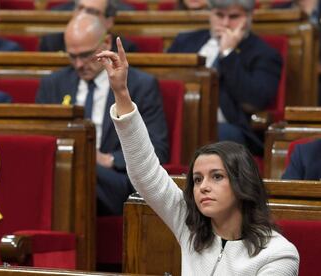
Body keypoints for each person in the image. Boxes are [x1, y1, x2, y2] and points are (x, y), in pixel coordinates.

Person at [96, 37, 299, 275]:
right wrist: (121, 93)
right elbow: (145, 172)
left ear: (242, 182)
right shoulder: (191, 227)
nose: (203, 187)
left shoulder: (278, 254)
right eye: (197, 179)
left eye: (216, 177)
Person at [36, 14, 169, 215]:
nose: (79, 64)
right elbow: (40, 139)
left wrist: (109, 159)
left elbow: (158, 150)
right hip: (63, 170)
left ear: (106, 42)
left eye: (86, 55)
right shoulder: (53, 84)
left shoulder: (139, 85)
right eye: (72, 56)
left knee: (78, 168)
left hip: (114, 179)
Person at [168, 0, 282, 155]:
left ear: (249, 17)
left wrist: (228, 53)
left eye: (234, 16)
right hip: (181, 118)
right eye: (219, 15)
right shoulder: (184, 41)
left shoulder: (264, 53)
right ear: (210, 14)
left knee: (219, 134)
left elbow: (255, 99)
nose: (225, 23)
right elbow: (167, 83)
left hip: (228, 127)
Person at [40, 0, 138, 53]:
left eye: (92, 12)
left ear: (109, 22)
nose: (83, 15)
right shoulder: (51, 44)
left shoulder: (125, 49)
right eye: (80, 9)